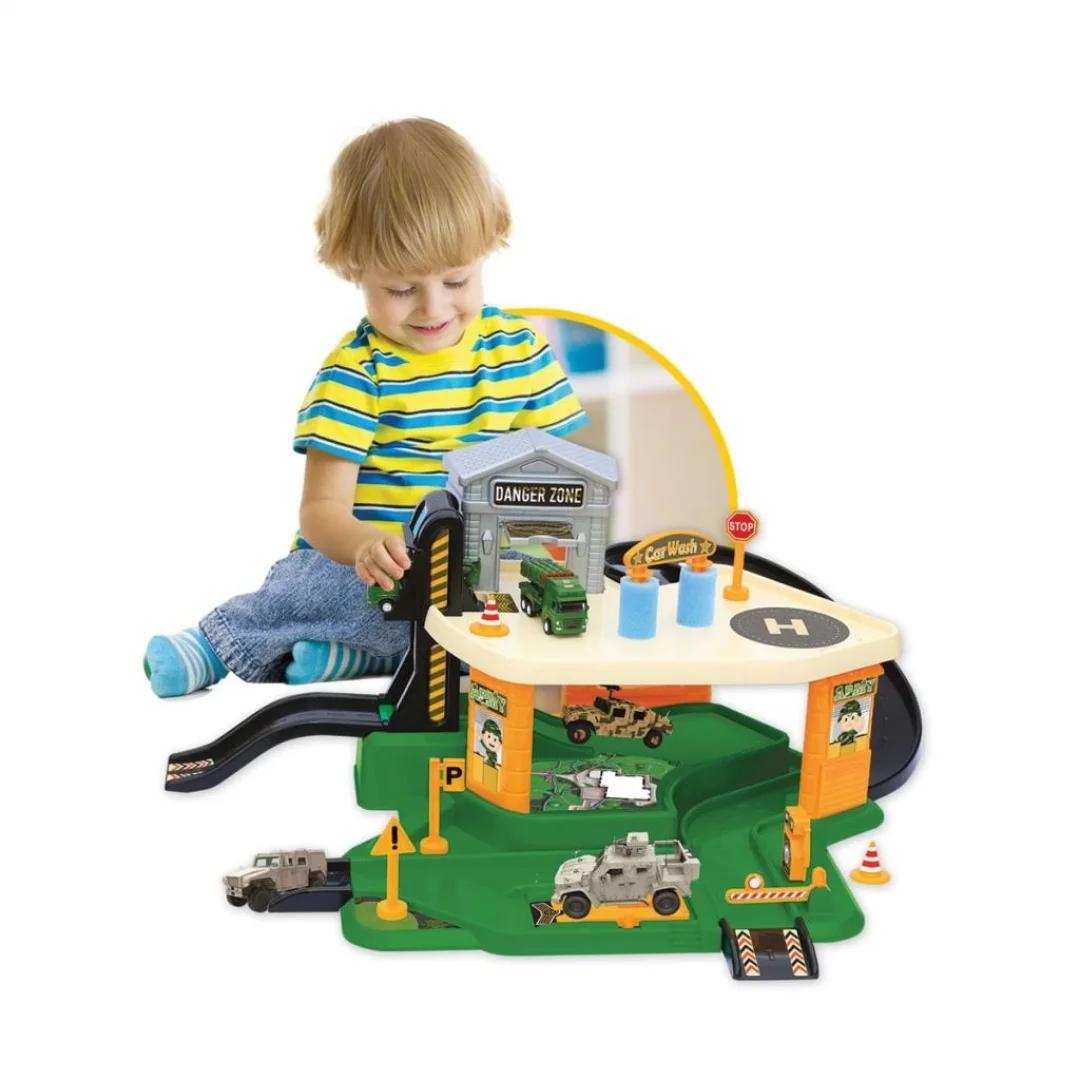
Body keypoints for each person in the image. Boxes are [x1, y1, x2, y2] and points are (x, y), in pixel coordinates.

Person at [144, 118, 586, 697]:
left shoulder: (521, 352)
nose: (433, 308)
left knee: (493, 617)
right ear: (354, 267)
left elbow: (558, 472)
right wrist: (361, 546)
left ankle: (353, 658)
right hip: (369, 572)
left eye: (457, 280)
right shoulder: (357, 373)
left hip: (470, 577)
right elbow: (320, 510)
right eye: (401, 289)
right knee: (321, 590)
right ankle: (215, 642)